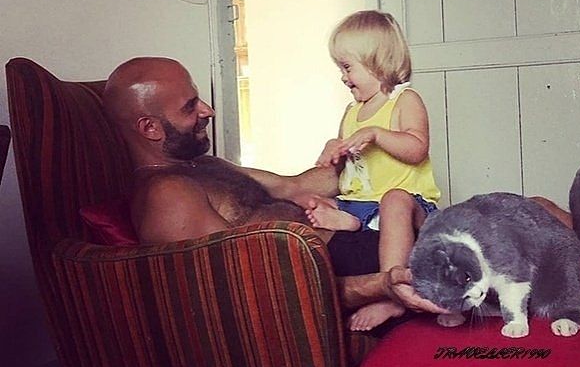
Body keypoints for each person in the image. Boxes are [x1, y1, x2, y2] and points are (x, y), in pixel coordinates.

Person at [103, 57, 448, 318]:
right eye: (190, 106)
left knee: (468, 234)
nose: (208, 111)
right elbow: (256, 286)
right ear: (150, 128)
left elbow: (293, 185)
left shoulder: (206, 166)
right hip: (335, 268)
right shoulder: (167, 195)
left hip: (353, 241)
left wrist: (351, 151)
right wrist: (382, 285)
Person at [303, 11, 440, 331]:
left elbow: (417, 148)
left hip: (409, 206)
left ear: (377, 63)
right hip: (361, 204)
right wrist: (333, 149)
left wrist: (378, 134)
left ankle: (392, 293)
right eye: (340, 68)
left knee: (394, 199)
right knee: (314, 202)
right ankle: (351, 221)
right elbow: (347, 166)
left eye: (347, 67)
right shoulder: (352, 111)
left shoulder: (404, 100)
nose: (343, 77)